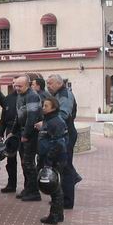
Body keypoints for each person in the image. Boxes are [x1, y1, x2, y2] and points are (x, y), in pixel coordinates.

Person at [46, 74, 82, 208]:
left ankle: (67, 201)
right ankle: (61, 197)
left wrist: (48, 123)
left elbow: (64, 114)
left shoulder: (65, 95)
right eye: (47, 83)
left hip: (66, 134)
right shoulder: (56, 95)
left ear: (59, 83)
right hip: (61, 133)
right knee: (61, 166)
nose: (48, 86)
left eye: (50, 83)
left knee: (65, 167)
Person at [36, 97, 68, 225]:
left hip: (55, 159)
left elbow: (59, 143)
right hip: (50, 157)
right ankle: (58, 214)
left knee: (54, 186)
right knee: (56, 187)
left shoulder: (56, 122)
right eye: (43, 105)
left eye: (46, 106)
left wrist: (48, 161)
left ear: (53, 108)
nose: (43, 108)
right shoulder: (49, 120)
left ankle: (54, 215)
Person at [9, 75, 42, 201]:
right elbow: (19, 116)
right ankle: (28, 188)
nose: (17, 88)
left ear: (27, 85)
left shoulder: (32, 96)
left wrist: (26, 135)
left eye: (20, 86)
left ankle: (34, 191)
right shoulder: (20, 95)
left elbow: (32, 117)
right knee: (24, 163)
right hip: (22, 132)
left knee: (28, 163)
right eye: (15, 85)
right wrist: (13, 132)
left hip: (31, 134)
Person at [0, 82, 19, 193]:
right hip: (10, 130)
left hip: (23, 130)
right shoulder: (7, 99)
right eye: (14, 84)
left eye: (18, 84)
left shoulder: (29, 97)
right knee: (10, 160)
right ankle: (11, 185)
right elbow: (3, 119)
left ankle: (28, 187)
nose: (16, 86)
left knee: (26, 161)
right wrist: (0, 134)